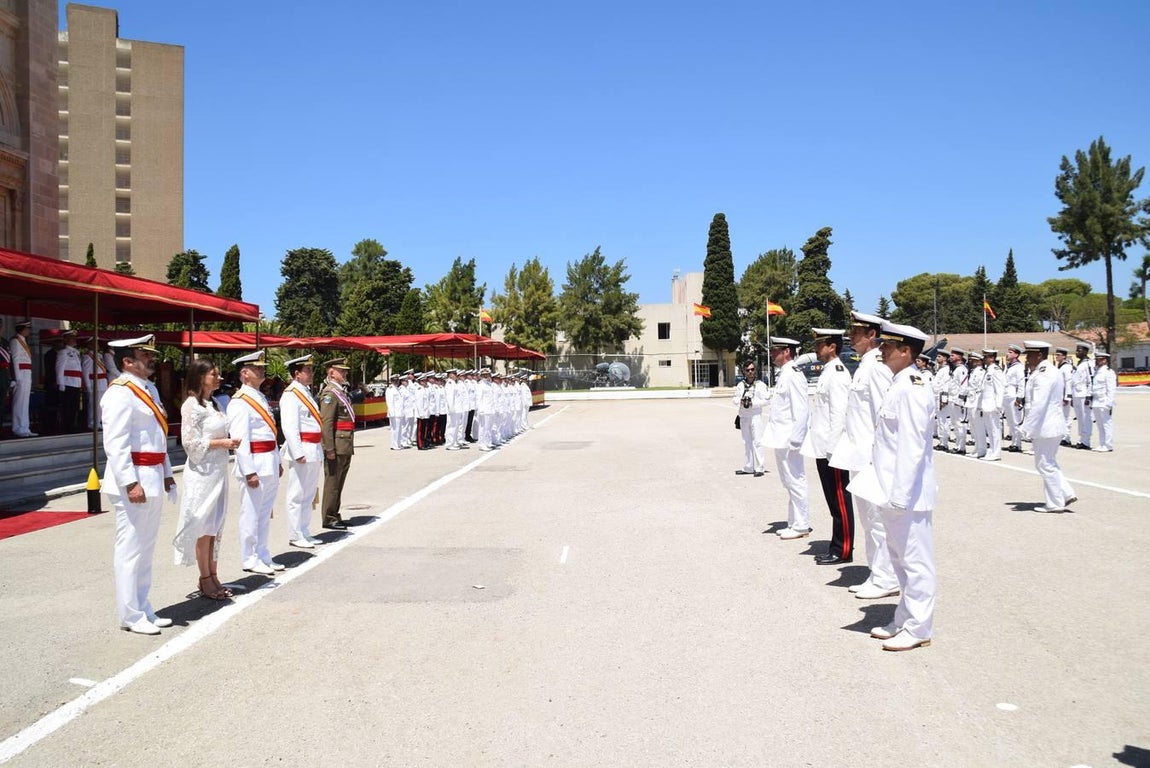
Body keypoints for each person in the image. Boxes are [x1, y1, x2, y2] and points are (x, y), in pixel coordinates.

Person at [866, 321, 937, 652]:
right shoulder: (898, 384)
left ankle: (920, 626)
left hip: (906, 495)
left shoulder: (912, 387)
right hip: (891, 491)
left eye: (888, 346)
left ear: (906, 351)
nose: (881, 350)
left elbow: (912, 447)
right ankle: (905, 618)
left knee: (916, 561)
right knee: (899, 559)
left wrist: (900, 495)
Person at [101, 334, 177, 635]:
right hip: (133, 480)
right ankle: (129, 614)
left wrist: (168, 472)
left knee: (146, 549)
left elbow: (157, 436)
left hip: (153, 476)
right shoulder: (120, 393)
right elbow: (116, 444)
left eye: (151, 355)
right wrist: (130, 482)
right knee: (130, 548)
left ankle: (143, 606)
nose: (151, 359)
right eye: (144, 355)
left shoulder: (151, 389)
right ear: (127, 362)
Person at [831, 311, 898, 599]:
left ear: (872, 335)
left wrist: (880, 454)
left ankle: (887, 577)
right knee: (869, 519)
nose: (851, 337)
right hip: (859, 454)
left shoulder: (878, 368)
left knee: (877, 519)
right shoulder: (865, 366)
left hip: (872, 455)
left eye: (857, 332)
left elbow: (886, 414)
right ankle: (877, 573)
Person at [173, 359, 240, 600]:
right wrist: (220, 443)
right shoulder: (191, 406)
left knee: (215, 526)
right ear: (201, 377)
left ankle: (213, 573)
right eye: (214, 374)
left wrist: (228, 441)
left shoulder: (213, 404)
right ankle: (204, 578)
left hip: (217, 471)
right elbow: (189, 444)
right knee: (203, 526)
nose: (218, 378)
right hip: (202, 474)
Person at [227, 349, 284, 575]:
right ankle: (249, 557)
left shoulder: (259, 396)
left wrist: (277, 459)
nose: (262, 370)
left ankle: (262, 553)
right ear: (244, 373)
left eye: (262, 367)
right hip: (255, 464)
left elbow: (270, 433)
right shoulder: (240, 401)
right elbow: (241, 440)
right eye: (256, 367)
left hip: (268, 460)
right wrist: (249, 471)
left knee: (264, 513)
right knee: (251, 513)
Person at [803, 329, 853, 564]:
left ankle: (842, 549)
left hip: (832, 450)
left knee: (840, 500)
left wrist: (834, 452)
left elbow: (840, 415)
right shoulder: (828, 372)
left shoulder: (839, 374)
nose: (816, 348)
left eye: (820, 344)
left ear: (832, 346)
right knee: (833, 502)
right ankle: (837, 544)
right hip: (823, 447)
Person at [1020, 341, 1077, 513]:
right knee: (1049, 462)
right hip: (1050, 424)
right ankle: (1066, 493)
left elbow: (1040, 402)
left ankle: (1055, 503)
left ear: (1039, 355)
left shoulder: (1044, 373)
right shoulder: (1048, 370)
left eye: (1029, 355)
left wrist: (1027, 427)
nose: (1027, 359)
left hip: (1046, 425)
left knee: (1044, 464)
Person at [763, 337, 810, 540]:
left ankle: (801, 525)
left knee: (795, 480)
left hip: (790, 439)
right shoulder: (785, 374)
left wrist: (796, 440)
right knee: (788, 481)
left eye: (776, 350)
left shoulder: (793, 374)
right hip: (781, 438)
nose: (772, 354)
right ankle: (794, 522)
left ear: (787, 352)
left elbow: (802, 409)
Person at [280, 354, 325, 548]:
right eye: (307, 370)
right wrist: (298, 452)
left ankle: (305, 530)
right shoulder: (291, 395)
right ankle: (295, 533)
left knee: (308, 494)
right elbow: (289, 427)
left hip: (314, 448)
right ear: (297, 374)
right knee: (296, 494)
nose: (311, 373)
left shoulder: (305, 392)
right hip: (303, 449)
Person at [319, 357, 355, 530]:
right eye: (341, 370)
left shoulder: (340, 391)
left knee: (339, 482)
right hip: (337, 444)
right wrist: (329, 448)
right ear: (331, 373)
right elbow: (326, 423)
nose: (345, 373)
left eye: (345, 370)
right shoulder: (330, 394)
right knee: (332, 483)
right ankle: (329, 517)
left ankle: (335, 513)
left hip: (345, 443)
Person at [732, 360, 769, 477]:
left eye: (752, 370)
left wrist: (753, 403)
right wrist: (740, 401)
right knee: (746, 442)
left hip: (755, 415)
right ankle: (748, 466)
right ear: (744, 372)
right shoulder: (740, 385)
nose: (750, 372)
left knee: (757, 442)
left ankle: (759, 467)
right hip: (744, 416)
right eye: (748, 370)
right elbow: (734, 399)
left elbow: (766, 400)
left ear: (755, 371)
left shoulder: (761, 385)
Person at [9, 319, 36, 437]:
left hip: (26, 373)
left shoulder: (23, 341)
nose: (28, 330)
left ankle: (25, 428)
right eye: (27, 328)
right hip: (21, 373)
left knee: (25, 402)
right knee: (19, 402)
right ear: (22, 329)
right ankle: (17, 428)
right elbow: (14, 359)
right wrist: (17, 377)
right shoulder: (15, 341)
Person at [976, 349, 1004, 461]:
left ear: (992, 358)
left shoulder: (996, 370)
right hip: (987, 405)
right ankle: (992, 450)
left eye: (986, 357)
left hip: (993, 405)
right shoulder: (988, 370)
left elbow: (1000, 389)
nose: (984, 359)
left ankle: (996, 452)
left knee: (994, 429)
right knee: (990, 429)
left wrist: (998, 406)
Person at [56, 329, 84, 433]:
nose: (74, 340)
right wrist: (61, 384)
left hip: (75, 383)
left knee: (74, 407)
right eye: (72, 338)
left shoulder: (76, 352)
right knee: (67, 408)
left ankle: (72, 426)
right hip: (67, 383)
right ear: (66, 339)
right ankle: (66, 427)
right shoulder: (63, 352)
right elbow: (59, 368)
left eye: (74, 338)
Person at [80, 337, 110, 430]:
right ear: (89, 345)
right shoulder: (88, 356)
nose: (97, 345)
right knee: (94, 404)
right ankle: (92, 422)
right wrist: (88, 386)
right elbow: (85, 372)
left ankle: (99, 421)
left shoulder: (99, 356)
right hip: (95, 382)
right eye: (94, 343)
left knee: (101, 404)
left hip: (102, 382)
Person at [1090, 350, 1116, 452]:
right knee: (1100, 424)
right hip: (1096, 401)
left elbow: (1111, 389)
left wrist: (1109, 404)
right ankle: (1102, 443)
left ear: (1105, 360)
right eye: (1097, 359)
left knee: (1106, 424)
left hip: (1104, 401)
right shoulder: (1097, 371)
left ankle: (1108, 445)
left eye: (1099, 360)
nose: (1097, 361)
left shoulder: (1108, 372)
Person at [943, 348, 968, 453]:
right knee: (955, 423)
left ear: (959, 357)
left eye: (953, 355)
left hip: (957, 400)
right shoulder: (956, 369)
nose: (950, 357)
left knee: (959, 423)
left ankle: (961, 447)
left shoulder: (962, 369)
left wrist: (960, 400)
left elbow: (963, 385)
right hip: (953, 399)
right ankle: (958, 445)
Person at [1070, 343, 1094, 449]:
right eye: (1076, 350)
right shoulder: (1078, 364)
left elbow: (1091, 380)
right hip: (1076, 393)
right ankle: (1082, 439)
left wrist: (1089, 395)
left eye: (1079, 350)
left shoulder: (1089, 363)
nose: (1076, 352)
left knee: (1086, 418)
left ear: (1085, 352)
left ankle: (1086, 440)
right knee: (1080, 418)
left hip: (1084, 394)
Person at [1002, 344, 1026, 453]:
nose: (1008, 354)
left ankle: (1017, 444)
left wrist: (1019, 397)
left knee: (1016, 420)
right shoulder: (1009, 366)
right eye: (1008, 352)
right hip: (1006, 395)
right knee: (1010, 421)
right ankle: (1013, 442)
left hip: (1013, 395)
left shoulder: (1019, 367)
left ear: (1016, 355)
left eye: (1011, 352)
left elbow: (1021, 383)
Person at [931, 350, 950, 450]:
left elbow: (945, 386)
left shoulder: (946, 370)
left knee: (943, 421)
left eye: (939, 356)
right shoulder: (940, 369)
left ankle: (944, 443)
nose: (937, 358)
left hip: (941, 398)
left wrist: (944, 399)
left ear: (945, 358)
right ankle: (942, 441)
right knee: (940, 421)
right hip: (936, 397)